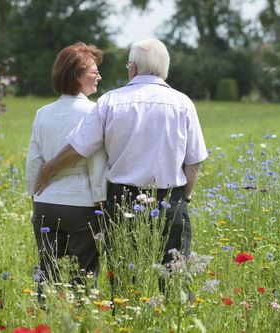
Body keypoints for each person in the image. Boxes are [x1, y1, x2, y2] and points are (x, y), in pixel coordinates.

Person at [33, 38, 208, 293]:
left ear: (133, 67)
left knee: (125, 277)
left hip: (123, 200)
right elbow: (194, 162)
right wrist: (186, 197)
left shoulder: (110, 101)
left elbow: (79, 148)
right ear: (164, 69)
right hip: (170, 199)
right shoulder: (183, 103)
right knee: (175, 274)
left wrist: (48, 168)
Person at [26, 42, 107, 298]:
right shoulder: (95, 111)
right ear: (77, 76)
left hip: (46, 202)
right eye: (94, 72)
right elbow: (97, 162)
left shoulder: (42, 112)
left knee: (47, 272)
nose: (99, 77)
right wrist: (102, 205)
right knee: (84, 275)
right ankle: (81, 321)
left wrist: (34, 198)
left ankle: (43, 319)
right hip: (81, 203)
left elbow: (34, 160)